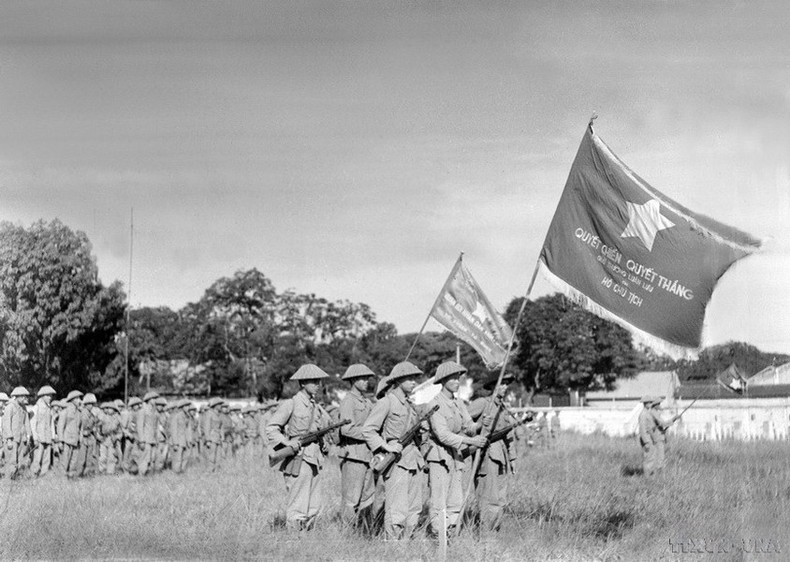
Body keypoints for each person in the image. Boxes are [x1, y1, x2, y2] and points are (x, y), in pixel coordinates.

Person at [361, 361, 426, 540]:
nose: (414, 382)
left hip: (414, 459)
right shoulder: (387, 402)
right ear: (398, 380)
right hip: (396, 461)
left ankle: (405, 543)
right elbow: (368, 429)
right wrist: (386, 445)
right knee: (397, 508)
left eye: (415, 378)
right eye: (410, 378)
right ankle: (393, 547)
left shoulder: (410, 406)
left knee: (414, 508)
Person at [266, 364, 333, 531]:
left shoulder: (316, 407)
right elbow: (271, 427)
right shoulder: (292, 403)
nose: (318, 384)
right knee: (298, 503)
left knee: (313, 504)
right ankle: (294, 540)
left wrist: (324, 444)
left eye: (319, 381)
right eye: (314, 381)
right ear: (303, 383)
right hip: (299, 457)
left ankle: (306, 537)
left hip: (315, 458)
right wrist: (287, 442)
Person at [424, 362, 487, 538]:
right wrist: (470, 440)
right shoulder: (434, 404)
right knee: (439, 501)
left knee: (455, 501)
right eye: (452, 378)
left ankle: (451, 535)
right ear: (443, 380)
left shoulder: (458, 403)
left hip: (456, 458)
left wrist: (481, 423)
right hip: (439, 458)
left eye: (458, 378)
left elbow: (469, 426)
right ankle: (438, 537)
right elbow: (443, 435)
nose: (456, 382)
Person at [466, 372, 521, 532]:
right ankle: (486, 534)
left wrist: (512, 458)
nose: (504, 387)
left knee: (500, 498)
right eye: (500, 384)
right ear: (492, 386)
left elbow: (509, 434)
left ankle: (494, 531)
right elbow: (463, 424)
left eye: (505, 384)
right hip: (486, 455)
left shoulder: (503, 407)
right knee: (489, 497)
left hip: (501, 456)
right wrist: (477, 427)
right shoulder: (483, 403)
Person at [337, 363, 377, 528]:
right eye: (362, 378)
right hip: (353, 455)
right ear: (353, 380)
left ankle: (363, 532)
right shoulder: (348, 401)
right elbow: (346, 429)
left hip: (367, 455)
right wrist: (369, 434)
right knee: (351, 499)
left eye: (367, 378)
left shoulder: (367, 401)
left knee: (367, 497)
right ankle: (347, 533)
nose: (366, 381)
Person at [3, 386, 31, 479]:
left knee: (20, 460)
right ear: (17, 396)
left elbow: (27, 422)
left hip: (21, 438)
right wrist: (9, 439)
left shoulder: (23, 408)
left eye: (25, 397)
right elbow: (6, 424)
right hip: (12, 438)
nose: (25, 398)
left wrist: (28, 435)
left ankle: (16, 479)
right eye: (22, 396)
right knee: (11, 460)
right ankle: (8, 481)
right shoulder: (10, 407)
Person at [30, 385, 56, 477]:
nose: (50, 397)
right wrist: (35, 437)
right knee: (38, 456)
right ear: (43, 396)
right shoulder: (36, 407)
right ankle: (34, 473)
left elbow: (51, 423)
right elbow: (32, 423)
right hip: (40, 437)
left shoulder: (49, 408)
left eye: (51, 395)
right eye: (48, 395)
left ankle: (43, 474)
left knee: (47, 457)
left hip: (48, 436)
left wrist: (53, 436)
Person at [58, 390, 83, 478]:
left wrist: (80, 437)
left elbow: (80, 427)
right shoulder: (65, 412)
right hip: (66, 440)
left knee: (74, 460)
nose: (79, 400)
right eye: (77, 398)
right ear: (72, 400)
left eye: (79, 398)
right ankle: (63, 477)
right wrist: (60, 441)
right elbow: (60, 427)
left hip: (76, 440)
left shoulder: (79, 413)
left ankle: (71, 475)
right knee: (65, 459)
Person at [136, 391, 160, 475]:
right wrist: (141, 440)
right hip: (145, 439)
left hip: (153, 439)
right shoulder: (142, 411)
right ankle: (142, 474)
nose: (155, 400)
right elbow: (139, 426)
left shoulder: (155, 412)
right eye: (154, 399)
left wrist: (157, 439)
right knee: (144, 458)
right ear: (149, 400)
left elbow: (156, 427)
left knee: (152, 458)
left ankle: (150, 475)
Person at [97, 402, 122, 475]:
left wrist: (117, 438)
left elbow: (120, 432)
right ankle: (102, 470)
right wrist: (99, 437)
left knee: (111, 457)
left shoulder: (117, 420)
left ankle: (110, 471)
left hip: (112, 440)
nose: (109, 410)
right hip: (104, 439)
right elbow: (98, 429)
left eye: (111, 409)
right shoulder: (102, 418)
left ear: (114, 410)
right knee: (103, 457)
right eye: (108, 408)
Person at [201, 397, 224, 472]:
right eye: (219, 405)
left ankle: (216, 470)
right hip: (211, 438)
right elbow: (206, 427)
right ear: (215, 405)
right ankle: (209, 471)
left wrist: (222, 436)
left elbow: (221, 427)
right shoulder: (209, 414)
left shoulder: (219, 415)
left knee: (218, 456)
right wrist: (208, 440)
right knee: (211, 456)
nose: (221, 406)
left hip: (218, 438)